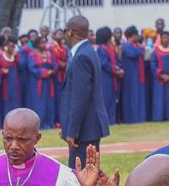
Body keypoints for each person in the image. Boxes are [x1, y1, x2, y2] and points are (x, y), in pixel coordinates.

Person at [59, 15, 109, 169]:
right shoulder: (86, 51)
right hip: (87, 127)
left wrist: (72, 131)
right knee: (88, 173)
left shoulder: (81, 56)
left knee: (80, 176)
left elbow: (80, 98)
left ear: (71, 33)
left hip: (85, 129)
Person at [23, 36, 56, 128]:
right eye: (42, 42)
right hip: (37, 83)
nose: (44, 44)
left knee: (48, 102)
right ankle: (37, 124)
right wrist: (44, 72)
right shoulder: (32, 55)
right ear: (37, 44)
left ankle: (48, 123)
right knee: (37, 102)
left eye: (45, 42)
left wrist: (53, 70)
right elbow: (31, 68)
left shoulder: (49, 54)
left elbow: (54, 64)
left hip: (49, 83)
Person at [120, 26, 148, 124]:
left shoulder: (136, 45)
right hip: (130, 76)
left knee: (138, 97)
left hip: (138, 75)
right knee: (131, 97)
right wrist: (142, 49)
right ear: (133, 35)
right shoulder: (125, 46)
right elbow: (133, 54)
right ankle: (130, 119)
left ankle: (139, 117)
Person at [150, 31, 169, 123]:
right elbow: (153, 65)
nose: (165, 39)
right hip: (159, 80)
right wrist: (161, 75)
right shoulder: (156, 51)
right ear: (160, 39)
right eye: (163, 38)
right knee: (159, 99)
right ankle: (159, 117)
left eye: (167, 37)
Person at [94, 27, 119, 126]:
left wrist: (118, 69)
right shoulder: (101, 49)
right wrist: (115, 70)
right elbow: (103, 63)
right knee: (106, 99)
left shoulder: (111, 48)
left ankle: (112, 120)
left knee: (112, 99)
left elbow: (116, 61)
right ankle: (105, 121)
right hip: (105, 77)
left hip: (112, 77)